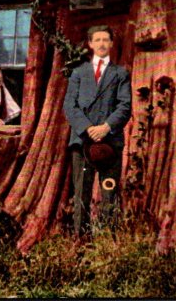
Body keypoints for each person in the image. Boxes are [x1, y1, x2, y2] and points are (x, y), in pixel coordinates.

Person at [63, 25, 132, 238]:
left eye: (106, 40)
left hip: (109, 142)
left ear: (111, 44)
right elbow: (69, 105)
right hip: (83, 142)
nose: (102, 44)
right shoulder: (78, 73)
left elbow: (125, 105)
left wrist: (105, 127)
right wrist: (88, 129)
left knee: (109, 190)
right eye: (97, 40)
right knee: (81, 191)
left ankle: (108, 240)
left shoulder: (120, 73)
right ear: (90, 44)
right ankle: (81, 239)